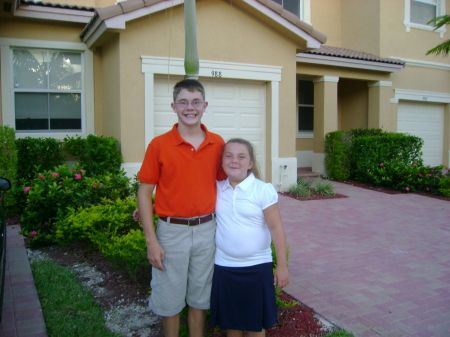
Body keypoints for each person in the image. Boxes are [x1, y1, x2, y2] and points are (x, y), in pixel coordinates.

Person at [137, 79, 226, 337]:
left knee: (200, 296)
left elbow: (225, 186)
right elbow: (144, 192)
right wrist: (150, 240)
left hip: (207, 229)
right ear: (173, 106)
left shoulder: (217, 144)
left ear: (205, 105)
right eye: (184, 102)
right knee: (169, 298)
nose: (190, 107)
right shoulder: (159, 144)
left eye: (196, 101)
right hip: (171, 231)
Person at [210, 138, 290, 337]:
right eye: (228, 156)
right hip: (225, 267)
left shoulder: (262, 189)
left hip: (257, 268)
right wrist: (151, 209)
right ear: (221, 162)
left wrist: (282, 266)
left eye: (241, 156)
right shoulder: (216, 188)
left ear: (250, 163)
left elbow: (276, 228)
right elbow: (188, 205)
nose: (234, 161)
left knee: (256, 327)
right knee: (232, 325)